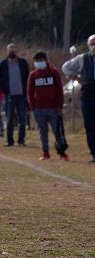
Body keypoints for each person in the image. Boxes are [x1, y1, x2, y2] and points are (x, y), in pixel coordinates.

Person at [27, 51, 68, 161]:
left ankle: (62, 152)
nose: (39, 63)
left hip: (53, 108)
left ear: (45, 60)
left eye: (41, 61)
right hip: (39, 109)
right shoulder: (33, 75)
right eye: (37, 61)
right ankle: (45, 152)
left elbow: (59, 91)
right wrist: (32, 107)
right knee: (42, 131)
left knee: (57, 130)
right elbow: (30, 92)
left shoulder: (54, 73)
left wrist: (59, 106)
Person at [61, 33, 95, 163]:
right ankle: (93, 153)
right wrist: (75, 77)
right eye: (92, 44)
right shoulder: (82, 59)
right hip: (88, 96)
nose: (94, 46)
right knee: (90, 125)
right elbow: (65, 67)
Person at [0, 43, 30, 147]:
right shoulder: (3, 64)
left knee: (22, 119)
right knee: (10, 118)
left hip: (21, 95)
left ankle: (21, 140)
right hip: (9, 95)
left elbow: (28, 77)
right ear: (7, 51)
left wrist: (27, 92)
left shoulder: (23, 63)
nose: (12, 52)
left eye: (14, 50)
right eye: (10, 50)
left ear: (17, 52)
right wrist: (4, 90)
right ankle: (9, 141)